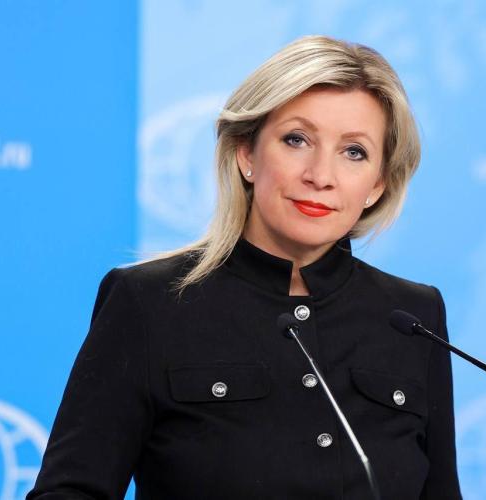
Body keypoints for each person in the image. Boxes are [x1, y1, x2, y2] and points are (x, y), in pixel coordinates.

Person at [28, 35, 462, 500]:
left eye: (354, 151)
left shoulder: (414, 317)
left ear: (378, 184)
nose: (321, 176)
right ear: (246, 154)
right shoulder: (149, 302)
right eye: (297, 140)